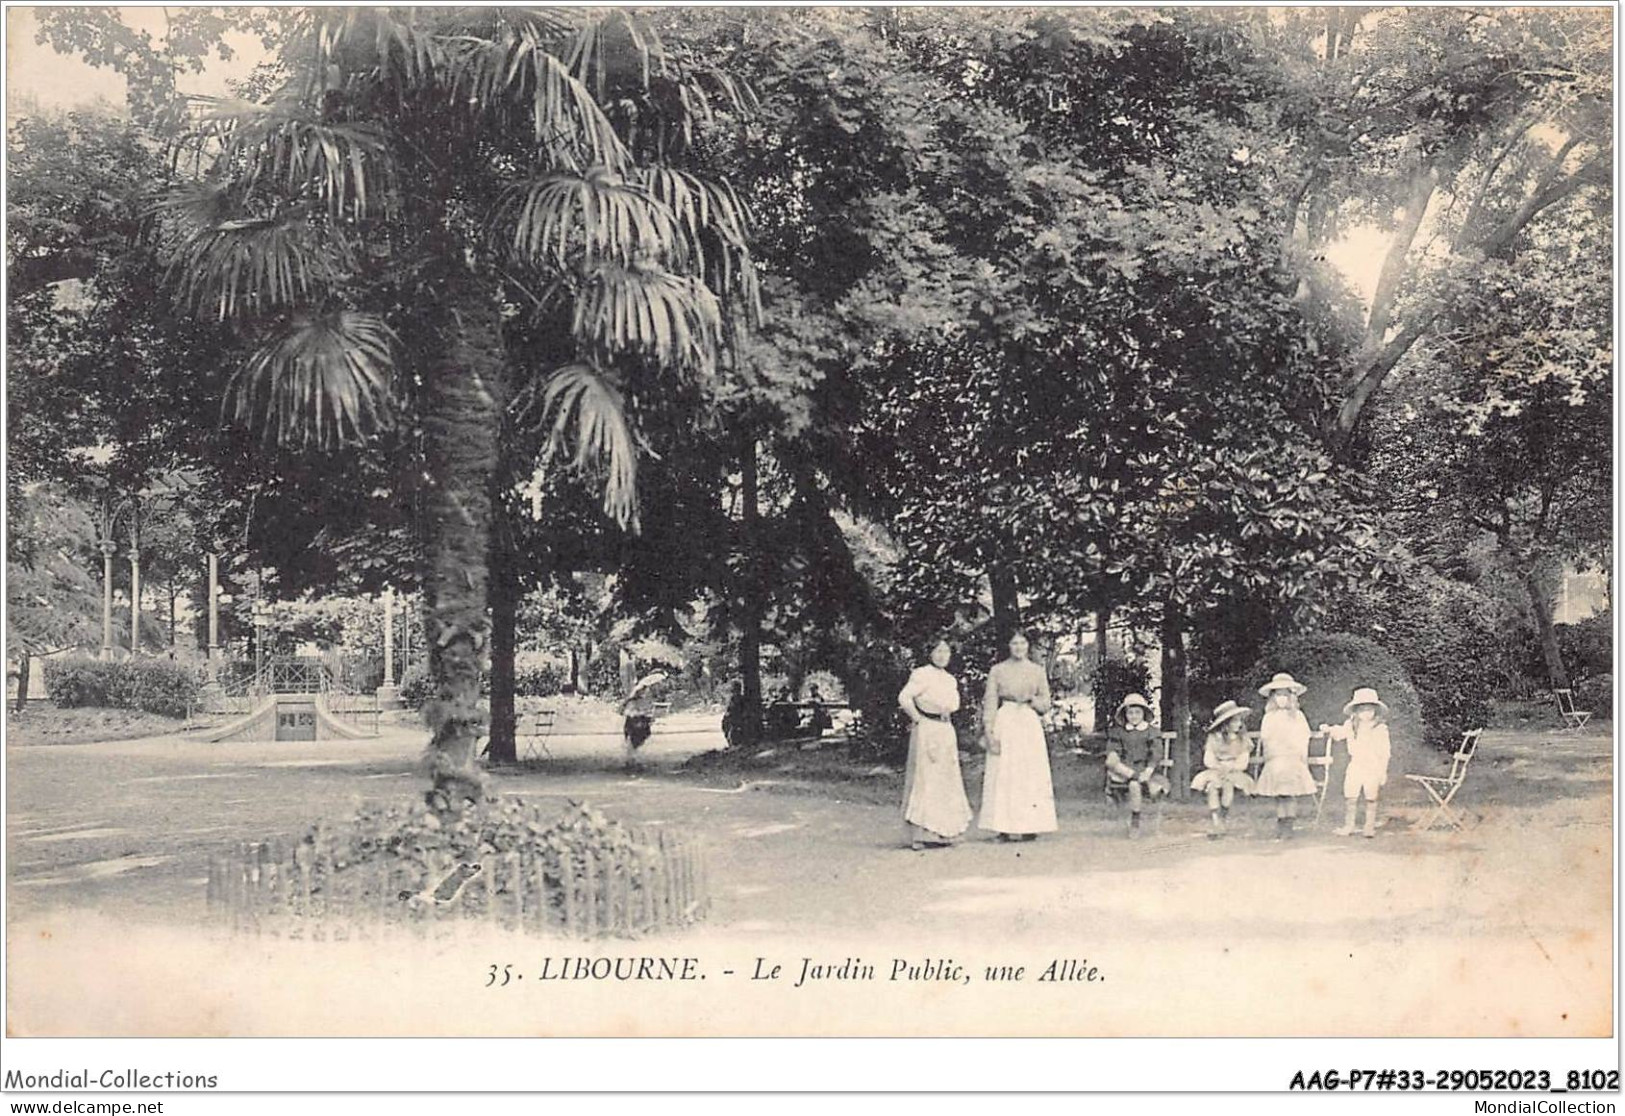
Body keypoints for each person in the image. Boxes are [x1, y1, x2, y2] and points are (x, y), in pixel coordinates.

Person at [979, 630, 1057, 842]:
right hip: (1006, 720)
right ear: (1009, 646)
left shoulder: (1037, 670)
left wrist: (1033, 700)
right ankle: (1002, 827)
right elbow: (990, 702)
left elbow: (1046, 703)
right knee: (1004, 772)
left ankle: (1030, 825)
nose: (1019, 647)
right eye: (1014, 643)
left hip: (1028, 722)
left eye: (1022, 643)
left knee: (1028, 773)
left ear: (1028, 646)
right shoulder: (998, 670)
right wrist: (989, 731)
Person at [898, 639, 973, 850]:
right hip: (927, 728)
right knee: (926, 778)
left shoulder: (950, 680)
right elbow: (904, 697)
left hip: (946, 729)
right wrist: (918, 719)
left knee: (947, 778)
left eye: (946, 651)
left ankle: (945, 832)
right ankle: (920, 834)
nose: (942, 655)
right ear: (930, 653)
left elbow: (953, 705)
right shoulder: (921, 674)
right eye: (937, 650)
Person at [1321, 687, 1392, 838]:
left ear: (1375, 711)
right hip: (1356, 764)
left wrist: (1382, 771)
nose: (1366, 714)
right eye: (1362, 710)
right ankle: (1349, 825)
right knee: (1351, 794)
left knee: (1371, 796)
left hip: (1373, 765)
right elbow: (1339, 734)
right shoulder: (1351, 725)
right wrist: (1329, 729)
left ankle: (1369, 826)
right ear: (1356, 711)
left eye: (1370, 710)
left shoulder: (1380, 728)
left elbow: (1385, 752)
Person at [1254, 672, 1317, 840]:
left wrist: (1300, 755)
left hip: (1293, 758)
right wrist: (1269, 756)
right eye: (1278, 695)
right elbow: (1266, 738)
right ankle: (1281, 823)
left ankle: (1289, 825)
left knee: (1290, 793)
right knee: (1280, 794)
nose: (1281, 699)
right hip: (1276, 758)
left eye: (1285, 695)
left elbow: (1304, 736)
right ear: (1273, 698)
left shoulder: (1298, 716)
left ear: (1291, 697)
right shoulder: (1269, 717)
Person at [1191, 699, 1256, 839]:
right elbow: (1208, 757)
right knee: (1213, 786)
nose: (1238, 724)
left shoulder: (1242, 738)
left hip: (1234, 769)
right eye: (1234, 721)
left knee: (1228, 785)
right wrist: (1218, 766)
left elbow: (1244, 759)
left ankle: (1224, 817)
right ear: (1225, 723)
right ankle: (1216, 821)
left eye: (1239, 721)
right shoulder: (1214, 738)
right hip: (1217, 768)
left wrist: (1232, 767)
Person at [1105, 693, 1164, 838]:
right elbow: (1114, 749)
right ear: (1125, 714)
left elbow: (1156, 753)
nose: (1134, 716)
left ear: (1144, 713)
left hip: (1145, 769)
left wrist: (1149, 769)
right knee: (1112, 762)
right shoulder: (1120, 732)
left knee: (1134, 785)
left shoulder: (1151, 731)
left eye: (1138, 712)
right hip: (1126, 769)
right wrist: (1113, 754)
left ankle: (1135, 821)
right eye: (1130, 712)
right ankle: (1135, 777)